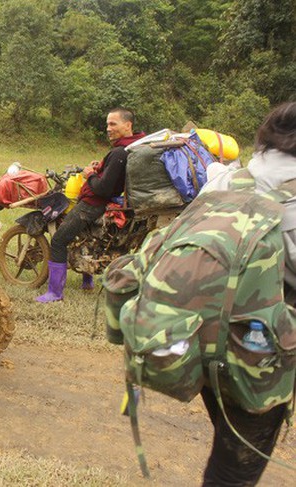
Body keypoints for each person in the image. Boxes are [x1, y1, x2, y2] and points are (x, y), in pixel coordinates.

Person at [196, 102, 296, 486]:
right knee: (234, 472)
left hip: (202, 341)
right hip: (256, 359)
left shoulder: (225, 181)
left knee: (226, 448)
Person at [37, 108, 145, 303]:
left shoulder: (120, 152)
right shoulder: (131, 147)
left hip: (93, 204)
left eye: (113, 124)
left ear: (128, 125)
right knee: (85, 238)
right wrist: (100, 169)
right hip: (108, 203)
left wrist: (90, 174)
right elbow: (112, 177)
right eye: (107, 124)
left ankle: (54, 293)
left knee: (59, 240)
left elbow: (103, 188)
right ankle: (87, 282)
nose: (108, 128)